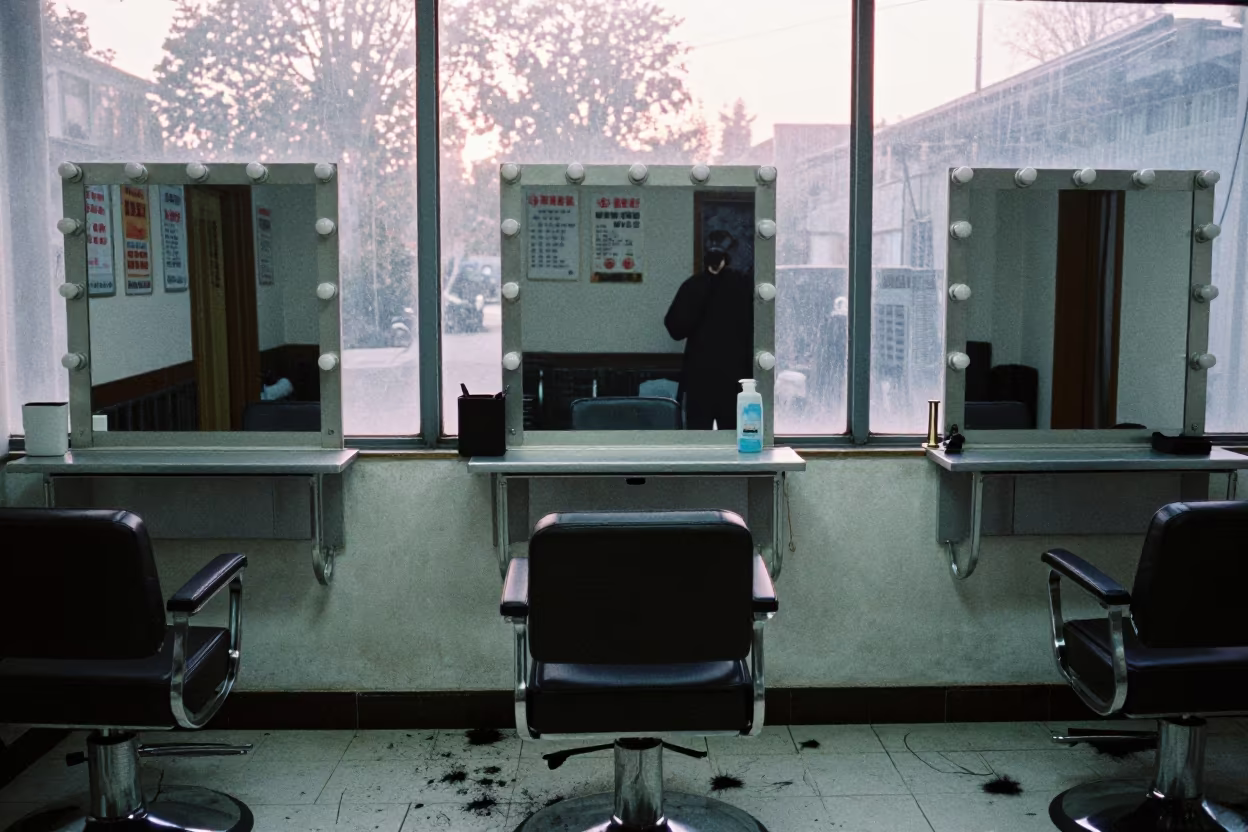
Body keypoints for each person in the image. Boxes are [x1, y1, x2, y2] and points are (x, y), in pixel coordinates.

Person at [664, 232, 754, 430]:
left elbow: (675, 328)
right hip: (737, 374)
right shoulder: (746, 286)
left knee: (698, 438)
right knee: (736, 436)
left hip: (701, 374)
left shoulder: (694, 285)